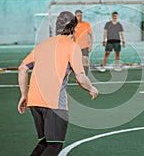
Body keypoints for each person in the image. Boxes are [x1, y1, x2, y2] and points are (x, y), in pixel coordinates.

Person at [17, 11, 99, 156]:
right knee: (55, 145)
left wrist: (24, 95)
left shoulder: (43, 44)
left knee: (46, 142)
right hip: (53, 103)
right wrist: (91, 88)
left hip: (34, 101)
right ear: (74, 28)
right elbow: (80, 78)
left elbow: (22, 68)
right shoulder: (72, 47)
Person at [74, 10, 93, 75]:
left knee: (85, 60)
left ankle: (86, 76)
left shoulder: (86, 24)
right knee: (78, 62)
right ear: (75, 16)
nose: (80, 17)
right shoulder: (73, 25)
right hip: (77, 47)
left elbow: (91, 35)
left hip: (85, 46)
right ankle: (79, 76)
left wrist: (91, 46)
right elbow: (71, 37)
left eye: (81, 15)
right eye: (78, 16)